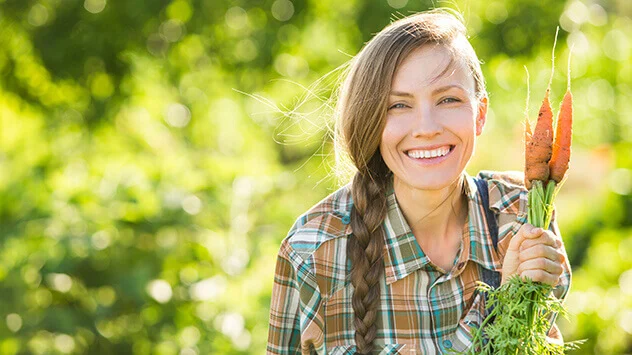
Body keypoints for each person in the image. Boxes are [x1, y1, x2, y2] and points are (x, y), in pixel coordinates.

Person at [267, 9, 571, 355]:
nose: (426, 127)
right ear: (371, 122)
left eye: (448, 99)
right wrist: (499, 303)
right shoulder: (314, 251)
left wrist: (521, 293)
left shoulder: (521, 215)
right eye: (398, 105)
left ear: (480, 114)